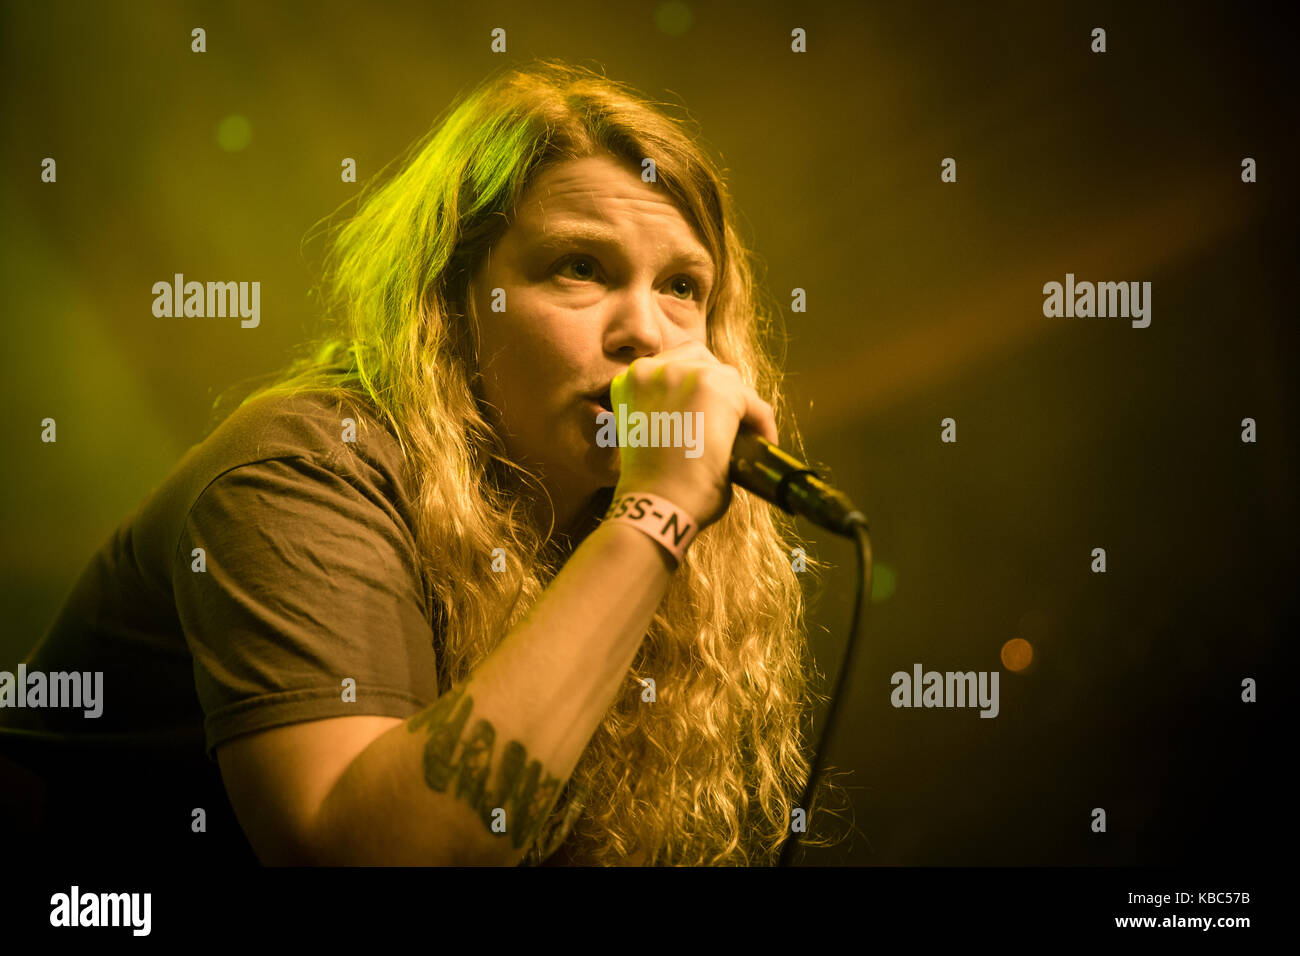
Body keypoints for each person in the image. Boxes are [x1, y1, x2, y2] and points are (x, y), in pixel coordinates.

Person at [1, 59, 845, 866]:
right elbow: (365, 855)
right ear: (450, 303)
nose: (647, 331)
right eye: (579, 268)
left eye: (682, 287)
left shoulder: (577, 521)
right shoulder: (297, 472)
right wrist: (655, 514)